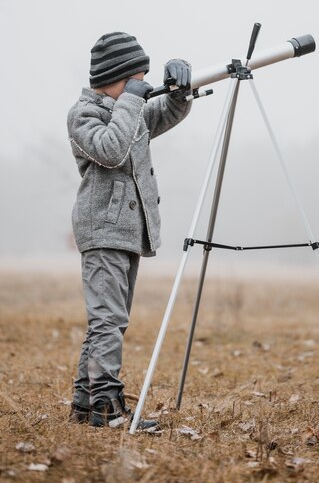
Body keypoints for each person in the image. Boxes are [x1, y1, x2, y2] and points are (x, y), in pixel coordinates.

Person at [66, 31, 192, 428]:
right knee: (107, 320)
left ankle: (85, 404)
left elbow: (165, 115)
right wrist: (134, 99)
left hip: (125, 232)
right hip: (101, 231)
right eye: (135, 78)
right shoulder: (83, 116)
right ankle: (106, 407)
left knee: (111, 319)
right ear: (115, 77)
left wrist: (179, 91)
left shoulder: (129, 111)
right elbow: (112, 148)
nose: (141, 85)